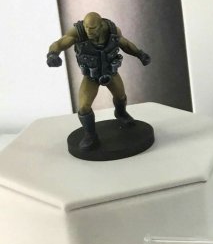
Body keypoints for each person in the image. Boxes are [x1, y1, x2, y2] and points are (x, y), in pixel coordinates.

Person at [47, 12, 151, 151]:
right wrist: (52, 54)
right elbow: (60, 43)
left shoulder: (112, 31)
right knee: (84, 107)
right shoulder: (78, 32)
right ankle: (90, 135)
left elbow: (125, 44)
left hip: (111, 73)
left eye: (93, 28)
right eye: (86, 27)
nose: (88, 31)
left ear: (101, 25)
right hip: (91, 77)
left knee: (120, 96)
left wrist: (139, 54)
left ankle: (121, 114)